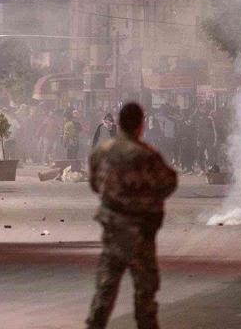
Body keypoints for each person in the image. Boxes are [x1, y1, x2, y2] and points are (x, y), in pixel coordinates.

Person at [85, 102, 178, 329]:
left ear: (119, 123)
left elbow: (95, 184)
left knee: (105, 290)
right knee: (145, 293)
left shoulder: (102, 151)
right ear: (140, 125)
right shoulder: (147, 155)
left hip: (114, 232)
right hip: (141, 233)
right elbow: (168, 183)